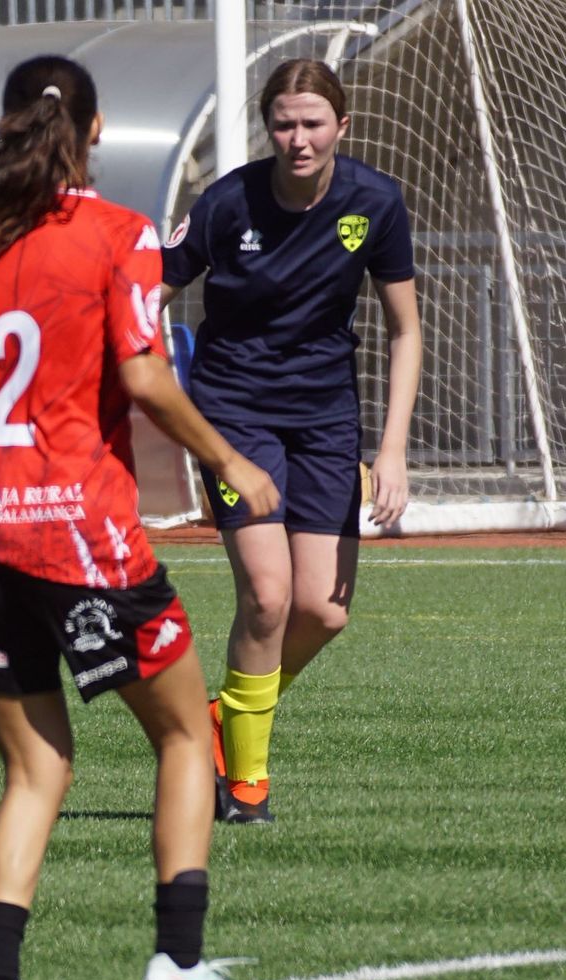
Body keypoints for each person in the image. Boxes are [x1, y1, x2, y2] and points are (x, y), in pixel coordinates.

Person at [0, 56, 279, 980]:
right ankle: (177, 962)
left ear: (8, 124)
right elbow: (142, 378)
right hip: (79, 533)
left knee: (35, 768)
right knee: (185, 734)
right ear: (91, 133)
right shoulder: (116, 233)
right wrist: (230, 461)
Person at [161, 58, 422, 823]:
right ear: (267, 126)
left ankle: (223, 719)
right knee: (269, 598)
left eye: (312, 123)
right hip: (234, 414)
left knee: (324, 611)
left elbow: (406, 330)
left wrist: (394, 450)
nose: (298, 139)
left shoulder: (374, 202)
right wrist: (163, 396)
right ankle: (247, 786)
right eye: (283, 123)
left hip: (325, 421)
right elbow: (147, 293)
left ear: (342, 125)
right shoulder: (225, 203)